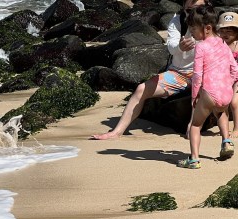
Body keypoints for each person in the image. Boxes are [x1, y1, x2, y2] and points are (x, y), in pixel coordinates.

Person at [90, 0, 206, 140]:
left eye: (198, 9)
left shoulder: (210, 24)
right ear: (183, 8)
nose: (192, 14)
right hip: (178, 74)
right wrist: (180, 47)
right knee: (141, 89)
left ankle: (192, 128)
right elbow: (171, 47)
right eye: (189, 10)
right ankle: (117, 132)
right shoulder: (178, 21)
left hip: (202, 73)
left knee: (200, 87)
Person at [178, 5, 238, 168]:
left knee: (196, 125)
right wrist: (229, 84)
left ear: (207, 28)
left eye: (193, 29)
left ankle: (194, 159)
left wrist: (195, 97)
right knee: (221, 113)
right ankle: (227, 141)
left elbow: (197, 75)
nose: (191, 33)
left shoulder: (201, 47)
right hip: (225, 92)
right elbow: (234, 68)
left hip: (209, 92)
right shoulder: (223, 43)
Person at [217, 11, 238, 138]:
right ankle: (224, 129)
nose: (225, 34)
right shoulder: (218, 45)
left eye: (230, 31)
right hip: (223, 78)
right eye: (223, 30)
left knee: (235, 102)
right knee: (222, 102)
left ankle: (237, 128)